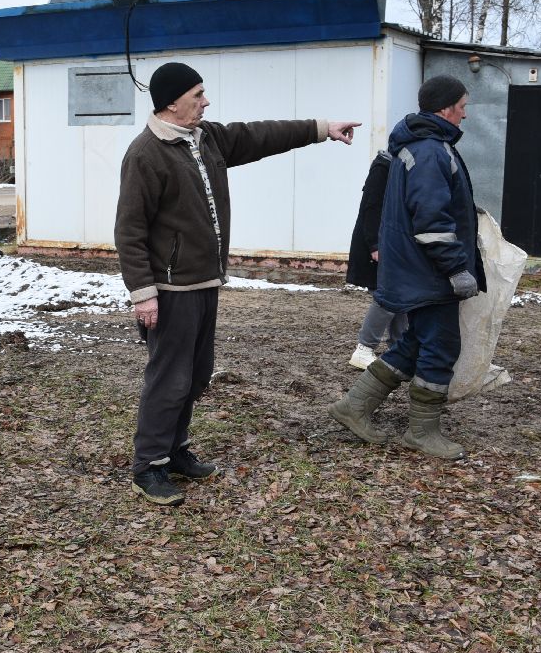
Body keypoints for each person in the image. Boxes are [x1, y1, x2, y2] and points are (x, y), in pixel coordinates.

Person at [115, 61, 360, 504]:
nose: (206, 102)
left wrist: (322, 128)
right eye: (197, 96)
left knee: (195, 375)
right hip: (171, 291)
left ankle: (174, 451)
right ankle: (147, 466)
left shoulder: (205, 138)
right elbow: (129, 230)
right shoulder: (145, 154)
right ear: (171, 102)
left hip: (205, 282)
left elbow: (259, 135)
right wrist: (143, 293)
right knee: (169, 379)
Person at [329, 75, 484, 460]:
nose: (465, 115)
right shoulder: (432, 151)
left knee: (416, 342)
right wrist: (455, 269)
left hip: (416, 270)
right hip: (429, 273)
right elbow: (431, 220)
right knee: (441, 347)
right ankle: (422, 432)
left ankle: (354, 406)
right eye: (463, 106)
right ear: (446, 108)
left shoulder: (417, 146)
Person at [344, 149, 405, 370]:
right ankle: (364, 348)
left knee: (398, 296)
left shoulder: (395, 166)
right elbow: (372, 207)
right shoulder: (385, 167)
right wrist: (375, 245)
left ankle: (400, 349)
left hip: (387, 243)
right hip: (378, 245)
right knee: (388, 296)